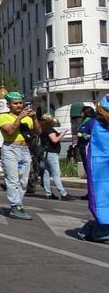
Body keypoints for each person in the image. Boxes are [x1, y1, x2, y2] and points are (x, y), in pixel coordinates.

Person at [0, 91, 40, 220]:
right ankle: (15, 206)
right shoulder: (3, 117)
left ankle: (18, 205)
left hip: (25, 149)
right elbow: (9, 131)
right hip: (10, 148)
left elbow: (38, 131)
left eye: (21, 103)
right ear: (9, 105)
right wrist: (19, 118)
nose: (19, 105)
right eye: (15, 103)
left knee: (23, 181)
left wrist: (34, 118)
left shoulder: (28, 117)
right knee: (13, 180)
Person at [78, 93, 109, 242]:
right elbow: (82, 134)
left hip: (99, 163)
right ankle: (98, 229)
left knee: (101, 193)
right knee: (102, 193)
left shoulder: (93, 122)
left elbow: (82, 134)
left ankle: (97, 228)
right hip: (100, 164)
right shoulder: (93, 123)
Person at [40, 115, 73, 200]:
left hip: (46, 153)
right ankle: (63, 193)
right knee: (56, 174)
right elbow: (55, 140)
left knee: (46, 173)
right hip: (51, 153)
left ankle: (48, 193)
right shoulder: (49, 130)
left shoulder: (42, 129)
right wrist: (62, 134)